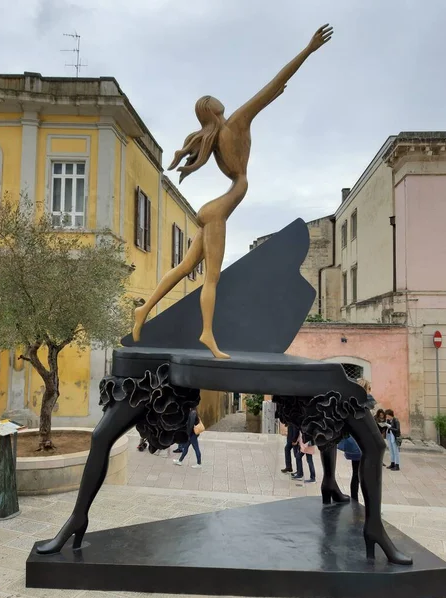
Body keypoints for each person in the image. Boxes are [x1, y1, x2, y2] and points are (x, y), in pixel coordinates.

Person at [132, 24, 334, 359]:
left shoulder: (212, 136)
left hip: (213, 209)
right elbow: (273, 86)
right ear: (213, 110)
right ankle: (207, 334)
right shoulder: (235, 123)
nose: (216, 98)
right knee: (211, 279)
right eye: (211, 99)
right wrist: (308, 50)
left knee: (185, 268)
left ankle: (144, 311)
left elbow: (274, 89)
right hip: (218, 211)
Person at [337, 435, 361, 501]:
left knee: (355, 474)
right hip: (361, 449)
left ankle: (354, 498)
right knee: (360, 475)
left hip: (355, 450)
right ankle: (357, 498)